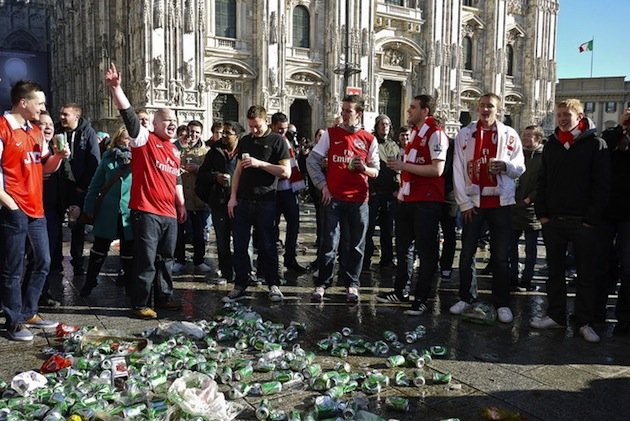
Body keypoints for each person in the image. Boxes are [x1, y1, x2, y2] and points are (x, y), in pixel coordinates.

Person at [105, 63, 187, 319]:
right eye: (167, 120)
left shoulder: (174, 150)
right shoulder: (145, 140)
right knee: (147, 259)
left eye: (174, 120)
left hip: (168, 213)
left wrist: (181, 204)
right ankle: (141, 303)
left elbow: (175, 179)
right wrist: (116, 89)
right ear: (155, 123)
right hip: (147, 211)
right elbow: (129, 116)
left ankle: (164, 296)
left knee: (166, 258)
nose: (172, 124)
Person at [532, 99, 610, 343]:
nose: (562, 119)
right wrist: (542, 214)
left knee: (586, 274)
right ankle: (556, 315)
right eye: (559, 115)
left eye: (567, 114)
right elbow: (542, 180)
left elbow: (602, 185)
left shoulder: (596, 144)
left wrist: (591, 220)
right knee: (554, 272)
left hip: (583, 222)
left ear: (579, 117)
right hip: (554, 220)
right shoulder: (553, 144)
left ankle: (584, 321)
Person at [0, 80, 69, 341]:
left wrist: (59, 157)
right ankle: (13, 321)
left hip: (36, 207)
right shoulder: (3, 127)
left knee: (44, 261)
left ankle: (29, 312)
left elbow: (44, 168)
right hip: (13, 206)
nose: (43, 108)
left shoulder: (35, 131)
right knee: (13, 266)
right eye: (39, 103)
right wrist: (10, 203)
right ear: (23, 102)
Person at [451, 93, 525, 324]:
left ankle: (502, 302)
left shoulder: (509, 134)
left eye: (490, 106)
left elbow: (520, 166)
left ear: (498, 110)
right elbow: (458, 169)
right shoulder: (465, 134)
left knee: (501, 256)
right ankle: (466, 297)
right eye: (482, 106)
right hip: (474, 202)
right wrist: (463, 203)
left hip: (501, 203)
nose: (485, 110)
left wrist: (506, 166)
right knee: (467, 253)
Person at [375, 95, 449, 315]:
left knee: (426, 252)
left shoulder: (435, 134)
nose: (408, 111)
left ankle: (423, 298)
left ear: (425, 111)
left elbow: (437, 169)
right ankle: (401, 291)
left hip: (427, 200)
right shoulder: (416, 133)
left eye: (413, 108)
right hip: (408, 198)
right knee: (403, 248)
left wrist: (403, 166)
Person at [306, 94, 379, 303]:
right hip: (334, 198)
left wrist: (363, 168)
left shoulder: (369, 139)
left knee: (356, 244)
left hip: (359, 199)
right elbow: (312, 160)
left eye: (349, 111)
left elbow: (376, 171)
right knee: (329, 242)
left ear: (359, 113)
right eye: (343, 110)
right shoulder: (331, 134)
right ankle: (322, 283)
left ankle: (352, 284)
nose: (344, 114)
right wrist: (323, 186)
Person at [223, 105, 291, 302]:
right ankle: (240, 284)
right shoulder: (245, 141)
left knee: (268, 245)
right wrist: (232, 197)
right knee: (240, 245)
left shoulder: (277, 141)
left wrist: (260, 164)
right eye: (251, 126)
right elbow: (238, 171)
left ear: (266, 121)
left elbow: (285, 172)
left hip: (266, 201)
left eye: (257, 126)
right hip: (243, 201)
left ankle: (273, 284)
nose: (254, 130)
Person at [79, 126, 133, 297]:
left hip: (129, 212)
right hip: (108, 211)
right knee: (99, 249)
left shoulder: (140, 159)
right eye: (126, 139)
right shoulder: (108, 158)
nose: (129, 142)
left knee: (129, 251)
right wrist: (88, 208)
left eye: (132, 139)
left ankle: (129, 283)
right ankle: (90, 281)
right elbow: (95, 185)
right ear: (118, 140)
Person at [55, 102, 101, 276]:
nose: (62, 117)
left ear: (76, 116)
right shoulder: (57, 131)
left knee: (77, 225)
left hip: (78, 187)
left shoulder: (87, 133)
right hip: (60, 185)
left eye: (65, 114)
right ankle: (56, 261)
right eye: (61, 114)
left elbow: (94, 161)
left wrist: (83, 187)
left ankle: (78, 261)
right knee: (56, 222)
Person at [197, 121, 243, 285]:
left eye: (227, 133)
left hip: (240, 202)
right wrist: (215, 177)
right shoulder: (214, 152)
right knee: (222, 241)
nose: (223, 136)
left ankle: (245, 272)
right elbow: (203, 174)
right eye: (222, 132)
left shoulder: (245, 151)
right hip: (220, 202)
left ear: (237, 136)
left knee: (243, 240)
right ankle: (226, 272)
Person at [600, 109, 630, 336]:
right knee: (601, 265)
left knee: (628, 269)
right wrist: (621, 127)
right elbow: (603, 144)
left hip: (628, 216)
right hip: (606, 212)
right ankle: (596, 311)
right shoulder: (611, 137)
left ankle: (624, 317)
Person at [271, 112, 307, 274]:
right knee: (272, 226)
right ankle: (271, 260)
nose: (283, 131)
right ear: (272, 126)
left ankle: (290, 257)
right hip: (274, 191)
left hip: (289, 189)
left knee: (294, 224)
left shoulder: (287, 140)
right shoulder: (271, 140)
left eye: (285, 128)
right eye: (280, 128)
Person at [509, 125, 545, 292]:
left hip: (532, 210)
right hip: (514, 207)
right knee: (511, 246)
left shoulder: (544, 156)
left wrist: (529, 199)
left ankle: (527, 280)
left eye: (528, 136)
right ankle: (512, 278)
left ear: (538, 138)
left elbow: (543, 183)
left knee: (531, 249)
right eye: (523, 135)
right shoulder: (518, 154)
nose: (524, 138)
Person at [174, 120, 211, 274]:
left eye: (197, 132)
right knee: (179, 232)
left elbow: (210, 173)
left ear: (201, 133)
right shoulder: (177, 148)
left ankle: (199, 260)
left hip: (198, 198)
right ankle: (179, 260)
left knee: (199, 232)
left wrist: (198, 169)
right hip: (181, 197)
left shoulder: (206, 151)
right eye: (191, 131)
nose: (193, 135)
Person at [363, 114, 399, 272]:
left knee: (387, 229)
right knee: (368, 228)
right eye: (382, 124)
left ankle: (387, 261)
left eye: (387, 124)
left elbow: (398, 167)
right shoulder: (371, 142)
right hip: (374, 192)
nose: (385, 127)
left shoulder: (394, 145)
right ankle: (365, 260)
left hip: (389, 192)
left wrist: (397, 186)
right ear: (377, 126)